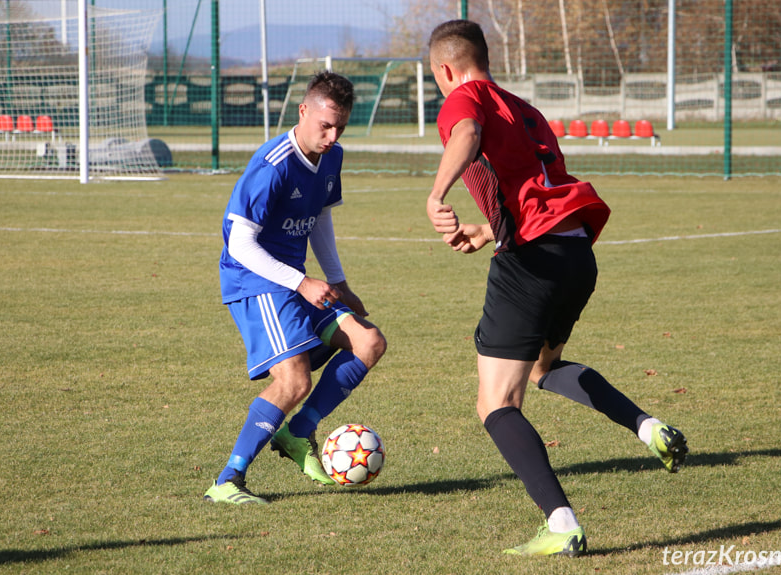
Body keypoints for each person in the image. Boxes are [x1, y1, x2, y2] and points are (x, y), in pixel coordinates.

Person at [426, 20, 687, 557]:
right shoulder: (522, 107)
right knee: (544, 369)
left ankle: (561, 520)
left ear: (445, 70)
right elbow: (534, 188)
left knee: (496, 402)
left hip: (532, 264)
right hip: (574, 253)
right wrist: (488, 228)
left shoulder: (465, 98)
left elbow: (467, 134)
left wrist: (436, 194)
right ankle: (648, 427)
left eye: (438, 80)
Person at [204, 71, 387, 505]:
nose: (332, 135)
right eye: (325, 124)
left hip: (296, 279)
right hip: (255, 280)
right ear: (303, 111)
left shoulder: (332, 156)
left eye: (340, 126)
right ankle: (227, 480)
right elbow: (239, 242)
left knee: (369, 342)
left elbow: (320, 216)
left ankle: (298, 433)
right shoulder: (272, 166)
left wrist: (338, 281)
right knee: (294, 381)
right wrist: (302, 281)